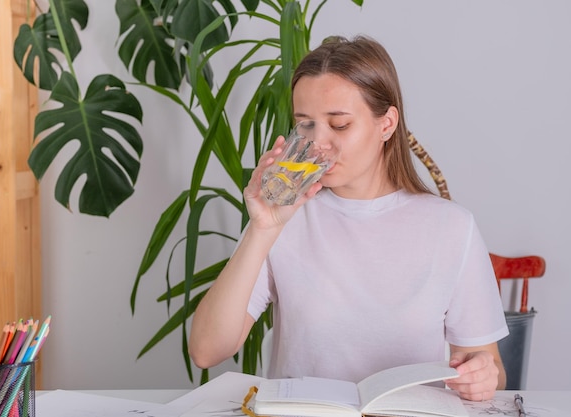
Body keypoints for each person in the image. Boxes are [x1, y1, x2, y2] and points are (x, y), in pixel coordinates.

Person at [189, 35, 509, 401]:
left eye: (339, 124)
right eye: (305, 125)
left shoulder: (452, 227)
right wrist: (262, 229)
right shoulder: (284, 219)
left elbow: (492, 370)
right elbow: (206, 351)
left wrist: (482, 376)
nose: (318, 143)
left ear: (386, 124)